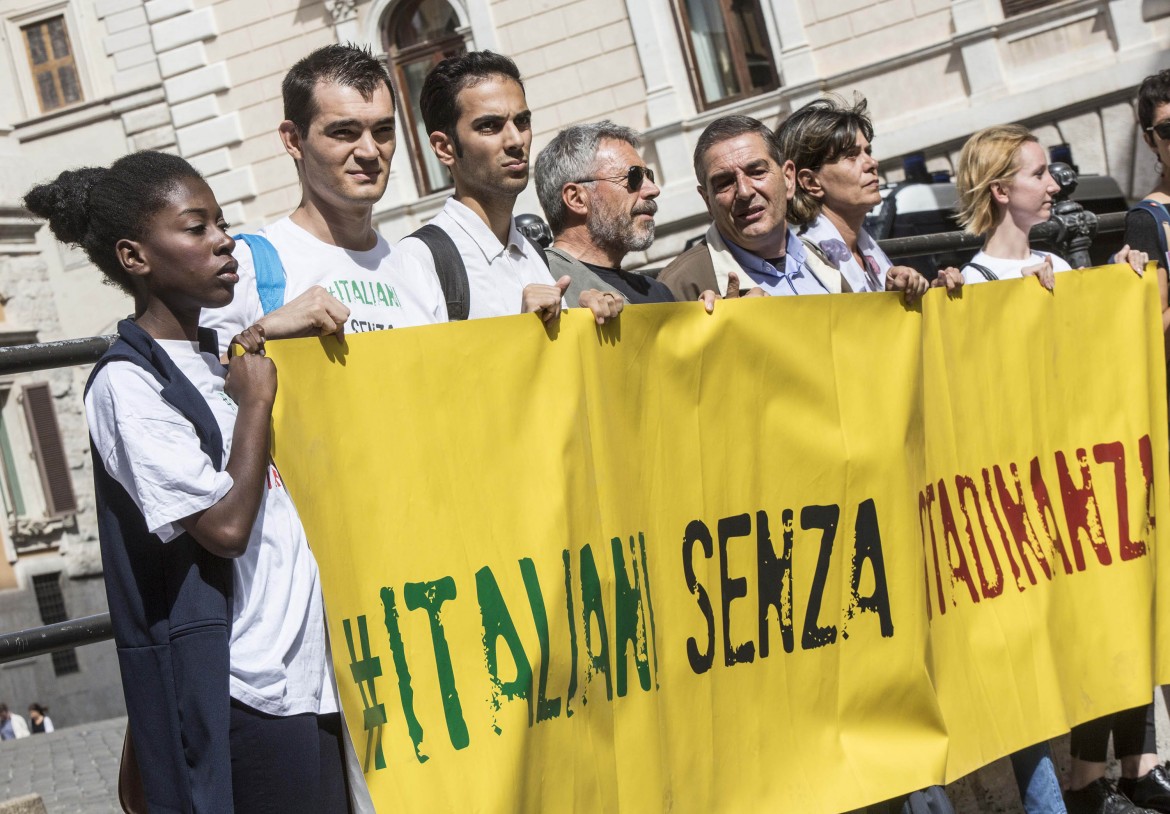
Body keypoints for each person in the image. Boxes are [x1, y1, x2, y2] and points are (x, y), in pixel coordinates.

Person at [25, 151, 351, 813]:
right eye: (195, 228)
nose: (224, 241)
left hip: (311, 676)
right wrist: (256, 402)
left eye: (221, 224)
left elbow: (243, 339)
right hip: (244, 687)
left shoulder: (218, 351)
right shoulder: (128, 385)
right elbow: (225, 529)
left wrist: (258, 334)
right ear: (135, 256)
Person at [956, 124, 1154, 814]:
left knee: (1095, 629)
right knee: (1043, 652)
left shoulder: (1062, 269)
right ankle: (1072, 789)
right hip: (1025, 504)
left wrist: (1118, 288)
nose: (1053, 186)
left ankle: (1104, 776)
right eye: (1039, 174)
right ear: (1001, 189)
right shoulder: (975, 282)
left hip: (1079, 491)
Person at [201, 44, 446, 354]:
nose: (370, 151)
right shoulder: (247, 266)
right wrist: (264, 332)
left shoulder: (417, 274)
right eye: (344, 132)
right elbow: (203, 391)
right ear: (293, 140)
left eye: (383, 129)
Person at [395, 51, 622, 325]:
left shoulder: (535, 254)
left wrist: (585, 322)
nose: (516, 140)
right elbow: (425, 368)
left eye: (522, 121)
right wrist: (522, 332)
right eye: (489, 126)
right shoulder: (419, 259)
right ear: (445, 148)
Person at [775, 95, 960, 295]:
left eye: (868, 151)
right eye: (851, 156)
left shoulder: (867, 250)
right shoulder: (804, 267)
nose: (872, 163)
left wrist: (933, 296)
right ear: (811, 182)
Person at [534, 120, 674, 305]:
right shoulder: (539, 285)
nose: (653, 189)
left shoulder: (657, 292)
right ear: (577, 199)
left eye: (649, 176)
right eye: (634, 177)